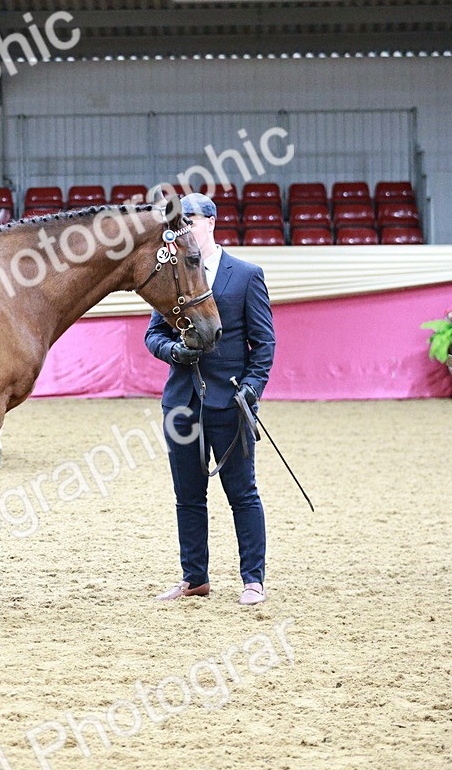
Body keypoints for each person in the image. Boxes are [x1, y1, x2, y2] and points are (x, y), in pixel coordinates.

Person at [144, 192, 276, 606]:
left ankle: (252, 579)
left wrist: (251, 388)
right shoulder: (172, 274)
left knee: (242, 494)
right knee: (187, 496)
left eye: (191, 220)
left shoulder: (246, 275)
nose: (183, 228)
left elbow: (264, 343)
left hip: (230, 400)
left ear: (211, 223)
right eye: (178, 222)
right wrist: (173, 351)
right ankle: (194, 578)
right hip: (181, 401)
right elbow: (153, 334)